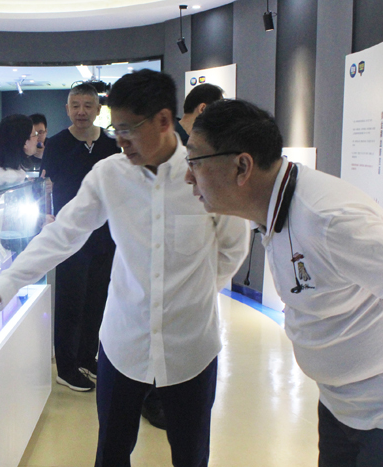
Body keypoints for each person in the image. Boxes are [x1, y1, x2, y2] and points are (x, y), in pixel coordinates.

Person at [0, 70, 249, 466]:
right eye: (116, 128)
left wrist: (195, 294)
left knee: (191, 455)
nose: (119, 140)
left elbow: (232, 248)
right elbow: (64, 233)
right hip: (123, 341)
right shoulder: (110, 175)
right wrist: (5, 284)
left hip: (191, 346)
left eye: (128, 129)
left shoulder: (206, 173)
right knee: (111, 452)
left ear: (164, 121)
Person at [185, 98, 383, 467]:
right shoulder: (274, 210)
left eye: (194, 161)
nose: (188, 176)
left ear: (242, 166)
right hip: (341, 404)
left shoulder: (330, 219)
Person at [142, 81, 225, 429]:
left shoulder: (203, 151)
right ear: (204, 110)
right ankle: (155, 402)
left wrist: (202, 287)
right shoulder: (170, 150)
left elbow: (231, 243)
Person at [40, 83, 119, 392]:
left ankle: (87, 357)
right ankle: (67, 366)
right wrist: (47, 216)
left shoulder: (111, 145)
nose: (81, 111)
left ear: (98, 109)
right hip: (70, 234)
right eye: (75, 105)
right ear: (67, 109)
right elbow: (45, 186)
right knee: (70, 302)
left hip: (104, 235)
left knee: (97, 300)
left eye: (88, 105)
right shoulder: (57, 144)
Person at [0, 114, 37, 185]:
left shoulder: (16, 169)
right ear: (24, 142)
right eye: (35, 134)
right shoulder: (10, 177)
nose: (37, 138)